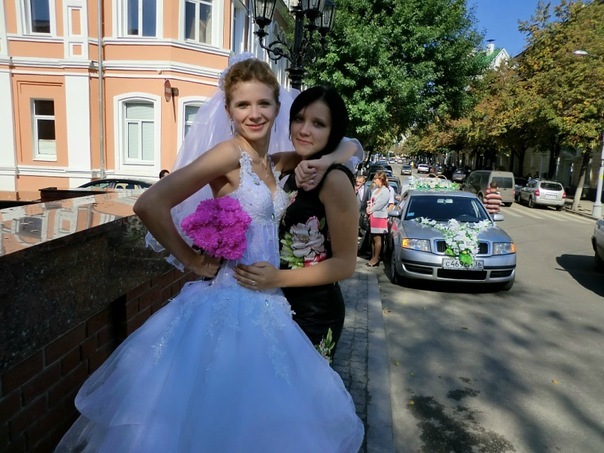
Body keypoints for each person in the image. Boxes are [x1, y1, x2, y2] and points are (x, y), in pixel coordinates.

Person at [55, 58, 364, 452]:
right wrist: (192, 260)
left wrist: (325, 159)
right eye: (243, 105)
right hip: (230, 304)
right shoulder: (228, 154)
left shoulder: (277, 162)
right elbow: (150, 203)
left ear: (277, 108)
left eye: (263, 104)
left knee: (262, 421)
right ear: (229, 110)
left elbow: (350, 145)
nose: (254, 114)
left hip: (273, 304)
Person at [234, 86, 358, 356]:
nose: (304, 130)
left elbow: (346, 264)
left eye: (318, 124)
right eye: (299, 119)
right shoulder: (290, 166)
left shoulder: (334, 179)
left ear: (333, 131)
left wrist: (277, 278)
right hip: (273, 301)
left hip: (313, 312)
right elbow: (353, 145)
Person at [366, 171, 390, 267]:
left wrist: (370, 210)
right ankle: (373, 257)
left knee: (378, 238)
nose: (374, 180)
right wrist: (368, 207)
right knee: (373, 238)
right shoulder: (375, 190)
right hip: (373, 216)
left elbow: (380, 204)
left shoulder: (385, 191)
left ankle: (376, 258)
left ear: (380, 180)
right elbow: (372, 201)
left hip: (379, 217)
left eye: (376, 178)